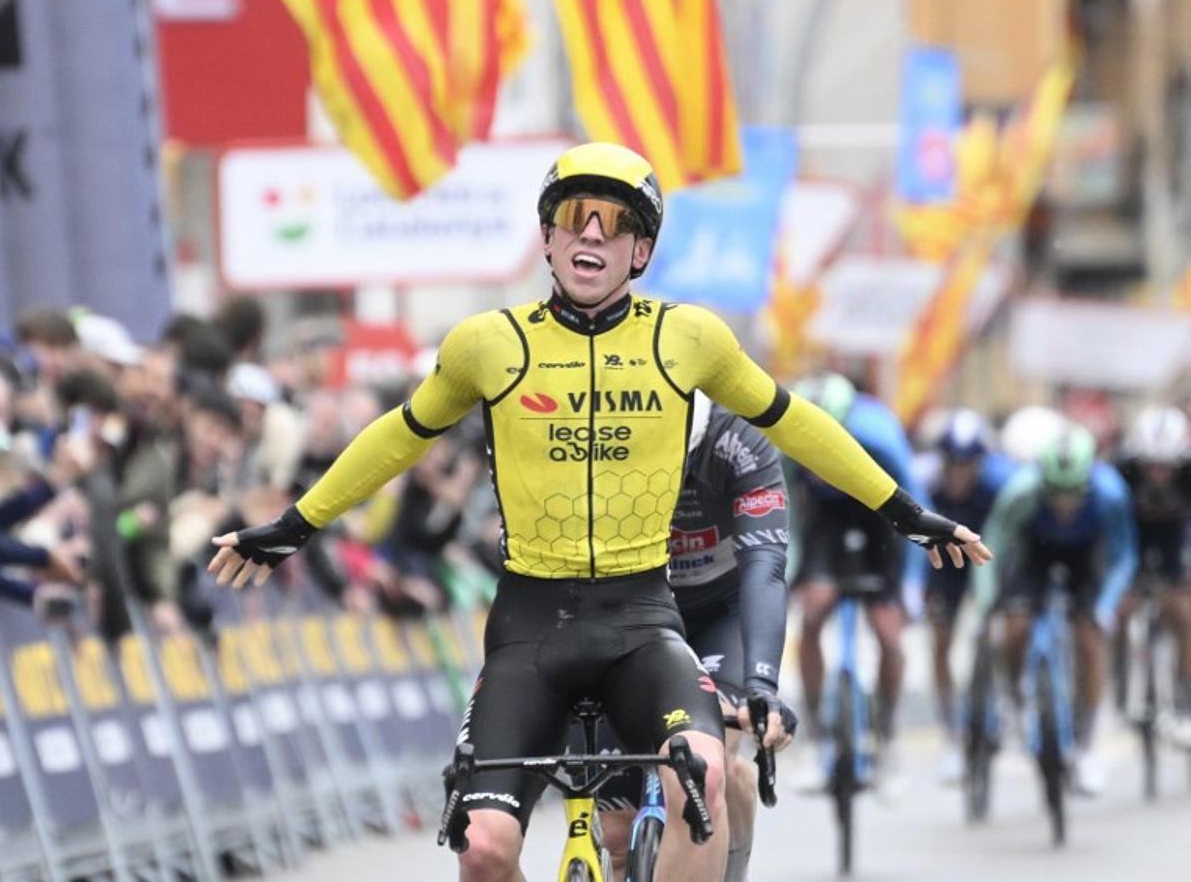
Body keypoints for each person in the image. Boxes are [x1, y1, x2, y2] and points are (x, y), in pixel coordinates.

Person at [208, 142, 991, 882]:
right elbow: (398, 436)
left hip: (641, 621)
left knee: (702, 778)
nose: (591, 233)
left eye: (614, 221)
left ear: (640, 250)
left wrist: (906, 512)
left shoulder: (688, 337)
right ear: (547, 237)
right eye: (573, 214)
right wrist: (294, 526)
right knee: (482, 849)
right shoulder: (488, 343)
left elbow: (796, 424)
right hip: (528, 627)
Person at [593, 393, 793, 882]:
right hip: (632, 612)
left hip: (721, 615)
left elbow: (765, 568)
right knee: (616, 833)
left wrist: (761, 685)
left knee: (712, 763)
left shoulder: (736, 442)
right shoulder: (605, 442)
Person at [974, 422, 1136, 796]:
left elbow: (1123, 556)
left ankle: (1087, 743)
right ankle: (1015, 703)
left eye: (1073, 494)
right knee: (1014, 628)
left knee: (1090, 642)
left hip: (1086, 559)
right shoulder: (1020, 492)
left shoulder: (1110, 494)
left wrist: (1106, 605)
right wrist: (986, 603)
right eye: (1055, 494)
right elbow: (990, 547)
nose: (1064, 504)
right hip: (1034, 555)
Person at [788, 372, 927, 792]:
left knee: (888, 632)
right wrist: (788, 576)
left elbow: (917, 510)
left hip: (878, 518)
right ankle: (814, 734)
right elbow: (784, 515)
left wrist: (912, 583)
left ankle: (887, 737)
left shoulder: (879, 439)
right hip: (824, 523)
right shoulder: (787, 447)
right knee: (813, 614)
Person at [920, 409, 1015, 783]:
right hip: (944, 566)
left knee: (1000, 632)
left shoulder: (1001, 485)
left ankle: (1003, 703)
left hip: (990, 558)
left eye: (967, 466)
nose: (959, 474)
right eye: (952, 465)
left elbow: (1012, 537)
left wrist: (994, 597)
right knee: (940, 641)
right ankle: (951, 735)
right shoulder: (926, 483)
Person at [1115, 406, 1191, 745]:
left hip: (1176, 537)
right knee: (1121, 611)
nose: (1158, 473)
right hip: (1133, 536)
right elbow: (1111, 527)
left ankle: (1184, 700)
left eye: (1166, 466)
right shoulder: (1123, 471)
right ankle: (1121, 684)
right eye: (1151, 465)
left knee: (1183, 616)